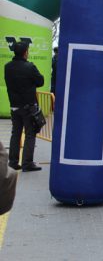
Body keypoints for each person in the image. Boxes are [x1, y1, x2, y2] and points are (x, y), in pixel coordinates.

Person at [4, 41, 45, 172]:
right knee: (30, 134)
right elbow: (40, 81)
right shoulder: (30, 67)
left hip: (14, 106)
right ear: (25, 52)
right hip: (28, 107)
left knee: (15, 134)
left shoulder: (7, 67)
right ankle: (27, 163)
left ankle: (13, 162)